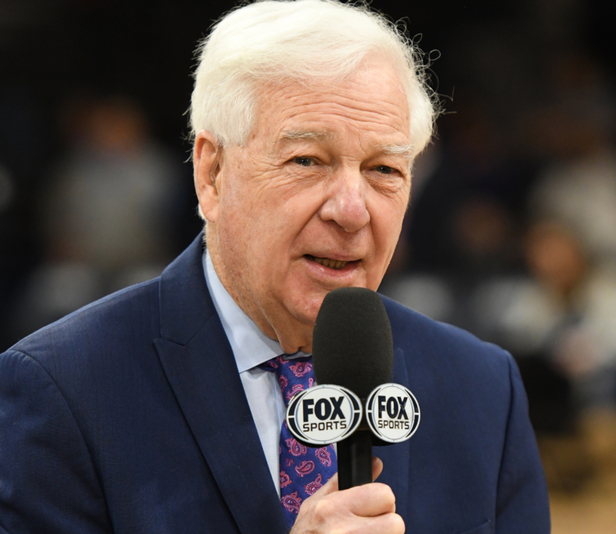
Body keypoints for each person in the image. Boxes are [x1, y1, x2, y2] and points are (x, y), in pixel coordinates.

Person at [0, 1, 550, 533]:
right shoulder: (62, 391)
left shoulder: (484, 391)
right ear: (212, 174)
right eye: (307, 161)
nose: (352, 210)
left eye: (384, 169)